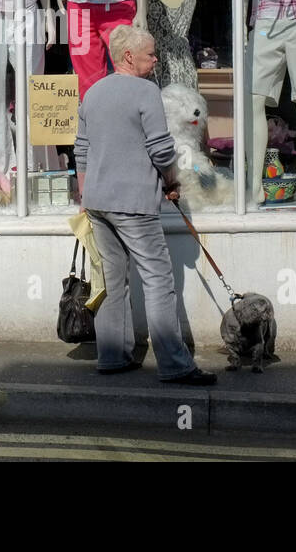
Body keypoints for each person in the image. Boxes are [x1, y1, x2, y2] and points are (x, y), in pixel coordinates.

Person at [73, 25, 216, 385]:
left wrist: (85, 196)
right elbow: (161, 148)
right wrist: (171, 181)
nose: (155, 60)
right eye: (150, 55)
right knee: (158, 279)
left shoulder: (92, 93)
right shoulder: (145, 91)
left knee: (112, 280)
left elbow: (82, 150)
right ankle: (174, 363)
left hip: (98, 202)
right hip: (133, 201)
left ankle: (112, 356)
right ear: (128, 57)